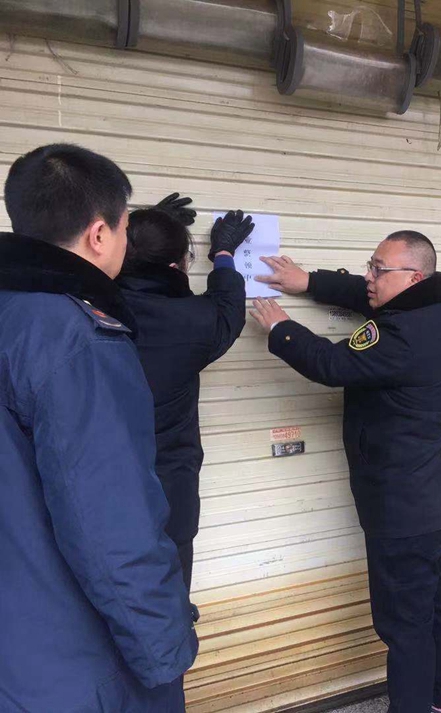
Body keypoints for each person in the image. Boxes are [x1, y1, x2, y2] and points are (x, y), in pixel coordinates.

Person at [0, 144, 197, 711]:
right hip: (71, 662)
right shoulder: (80, 339)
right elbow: (111, 527)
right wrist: (165, 654)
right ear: (98, 235)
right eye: (126, 228)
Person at [249, 231, 441, 713]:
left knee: (405, 621)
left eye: (378, 269)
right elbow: (366, 295)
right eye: (370, 264)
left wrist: (281, 327)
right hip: (437, 497)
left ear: (413, 277)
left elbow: (331, 364)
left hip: (402, 508)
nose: (368, 276)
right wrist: (309, 281)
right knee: (440, 598)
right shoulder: (437, 303)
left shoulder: (402, 336)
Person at [118, 199, 252, 591]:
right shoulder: (194, 320)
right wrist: (223, 253)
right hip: (169, 489)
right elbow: (228, 309)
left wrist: (147, 233)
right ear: (178, 266)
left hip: (99, 481)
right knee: (169, 587)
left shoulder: (88, 304)